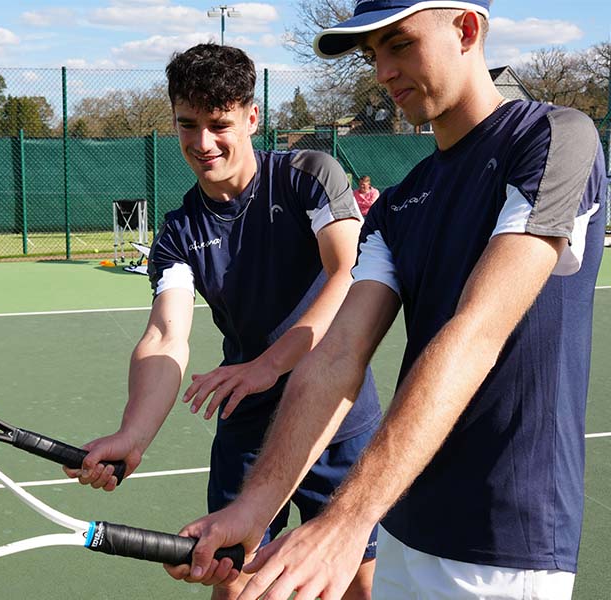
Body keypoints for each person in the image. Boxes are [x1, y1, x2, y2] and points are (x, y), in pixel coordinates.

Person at [167, 2, 607, 599]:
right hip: (402, 524)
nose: (382, 71)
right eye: (373, 55)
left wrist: (344, 522)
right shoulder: (402, 202)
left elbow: (478, 329)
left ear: (467, 30)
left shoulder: (553, 137)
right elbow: (335, 356)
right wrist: (256, 506)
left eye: (399, 45)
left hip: (502, 546)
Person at [65, 43, 383, 600]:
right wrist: (133, 434)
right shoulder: (179, 234)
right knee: (232, 580)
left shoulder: (309, 175)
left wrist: (268, 364)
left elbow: (346, 274)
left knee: (354, 579)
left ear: (252, 117)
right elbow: (167, 335)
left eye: (219, 124)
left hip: (339, 413)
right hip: (249, 425)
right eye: (188, 125)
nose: (203, 142)